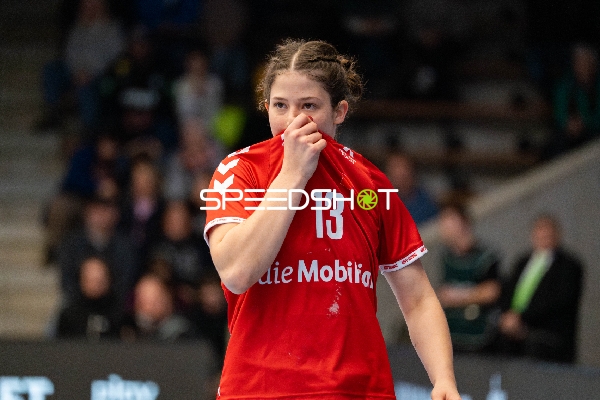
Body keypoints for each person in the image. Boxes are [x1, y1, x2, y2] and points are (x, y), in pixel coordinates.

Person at [203, 39, 461, 399]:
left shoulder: (370, 183)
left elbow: (417, 298)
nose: (293, 121)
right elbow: (236, 271)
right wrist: (292, 175)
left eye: (308, 105)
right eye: (280, 105)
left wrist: (444, 378)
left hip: (360, 390)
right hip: (262, 388)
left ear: (339, 111)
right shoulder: (240, 170)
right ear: (265, 107)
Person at [496, 214, 584, 363]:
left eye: (548, 235)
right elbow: (508, 291)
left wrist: (522, 319)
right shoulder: (522, 262)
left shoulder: (569, 266)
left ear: (557, 235)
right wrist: (507, 316)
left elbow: (559, 301)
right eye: (540, 233)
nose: (543, 238)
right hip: (514, 328)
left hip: (547, 332)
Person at [436, 203, 502, 353]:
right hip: (452, 334)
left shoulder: (486, 257)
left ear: (464, 222)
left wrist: (458, 296)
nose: (444, 226)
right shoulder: (446, 257)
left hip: (479, 336)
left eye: (449, 220)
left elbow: (492, 291)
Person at [544, 43, 600, 159]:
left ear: (594, 64)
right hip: (571, 132)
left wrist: (585, 122)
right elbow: (559, 113)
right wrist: (568, 123)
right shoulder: (565, 85)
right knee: (556, 143)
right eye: (578, 63)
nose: (582, 67)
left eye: (586, 63)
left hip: (593, 131)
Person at [56, 256, 122, 340]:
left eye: (99, 280)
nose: (96, 285)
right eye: (91, 280)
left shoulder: (121, 315)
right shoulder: (68, 316)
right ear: (81, 280)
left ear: (109, 280)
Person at [385, 152, 439, 225]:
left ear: (413, 174)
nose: (401, 182)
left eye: (404, 177)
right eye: (396, 177)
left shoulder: (426, 202)